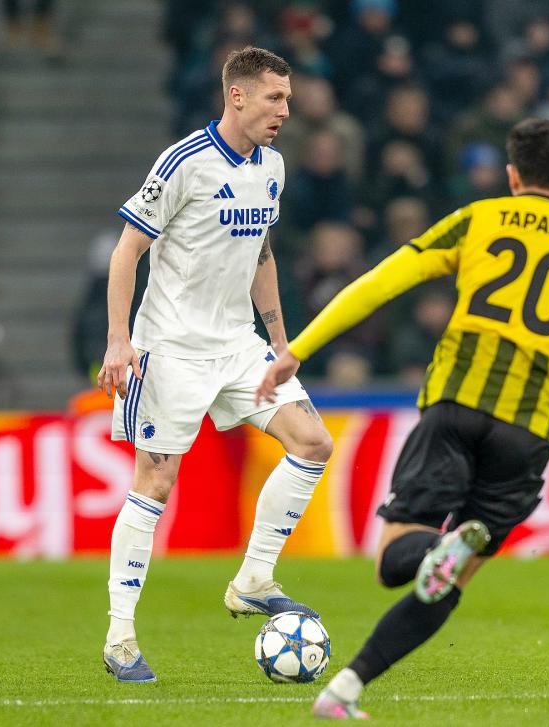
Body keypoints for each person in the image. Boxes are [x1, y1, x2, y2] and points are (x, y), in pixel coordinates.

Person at [258, 119, 549, 719]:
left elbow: (380, 283)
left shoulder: (479, 219)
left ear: (512, 176)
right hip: (529, 433)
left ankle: (434, 555)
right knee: (451, 577)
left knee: (396, 561)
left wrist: (297, 349)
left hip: (456, 406)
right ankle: (346, 689)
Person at [96, 47, 333, 684]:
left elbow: (261, 255)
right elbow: (126, 252)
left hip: (237, 345)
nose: (286, 110)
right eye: (275, 98)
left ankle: (254, 579)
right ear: (237, 96)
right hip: (170, 348)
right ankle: (121, 638)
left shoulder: (272, 167)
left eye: (288, 99)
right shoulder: (184, 162)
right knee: (155, 483)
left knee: (313, 442)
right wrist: (118, 340)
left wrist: (280, 343)